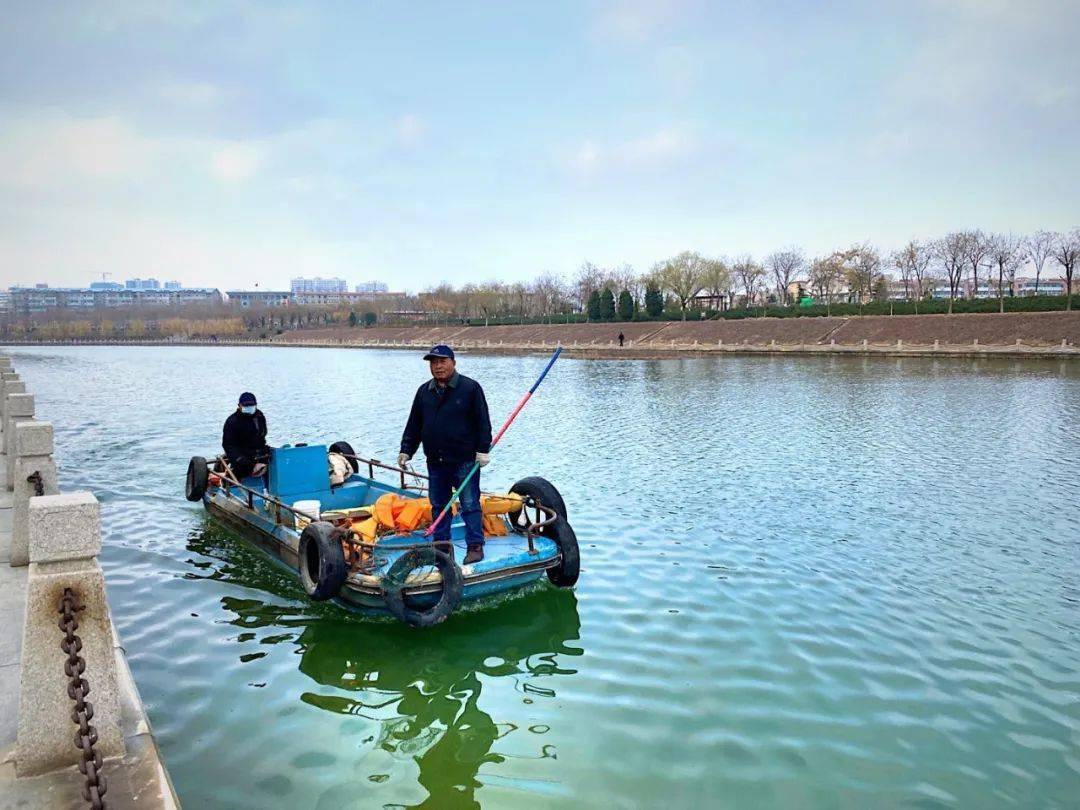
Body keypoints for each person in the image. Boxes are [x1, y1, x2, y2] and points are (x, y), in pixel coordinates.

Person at [398, 345, 492, 564]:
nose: (438, 366)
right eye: (433, 363)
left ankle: (475, 546)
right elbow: (414, 424)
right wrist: (406, 450)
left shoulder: (470, 388)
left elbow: (483, 422)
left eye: (442, 361)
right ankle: (442, 549)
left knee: (470, 504)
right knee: (438, 505)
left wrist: (483, 450)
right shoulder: (424, 391)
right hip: (436, 461)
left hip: (465, 460)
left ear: (453, 362)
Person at [222, 392, 269, 479]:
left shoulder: (259, 416)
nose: (249, 407)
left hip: (260, 454)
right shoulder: (232, 422)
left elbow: (262, 436)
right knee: (241, 471)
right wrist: (250, 465)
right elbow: (229, 446)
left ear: (256, 405)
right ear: (239, 405)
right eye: (246, 405)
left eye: (251, 405)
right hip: (242, 457)